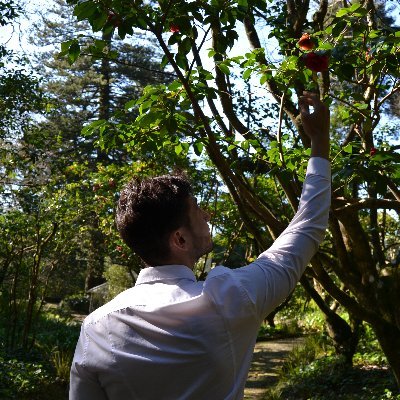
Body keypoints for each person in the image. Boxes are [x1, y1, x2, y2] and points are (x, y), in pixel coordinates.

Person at [69, 92, 331, 400]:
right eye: (197, 210)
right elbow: (306, 228)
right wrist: (320, 141)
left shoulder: (97, 328)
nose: (207, 215)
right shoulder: (229, 296)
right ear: (179, 238)